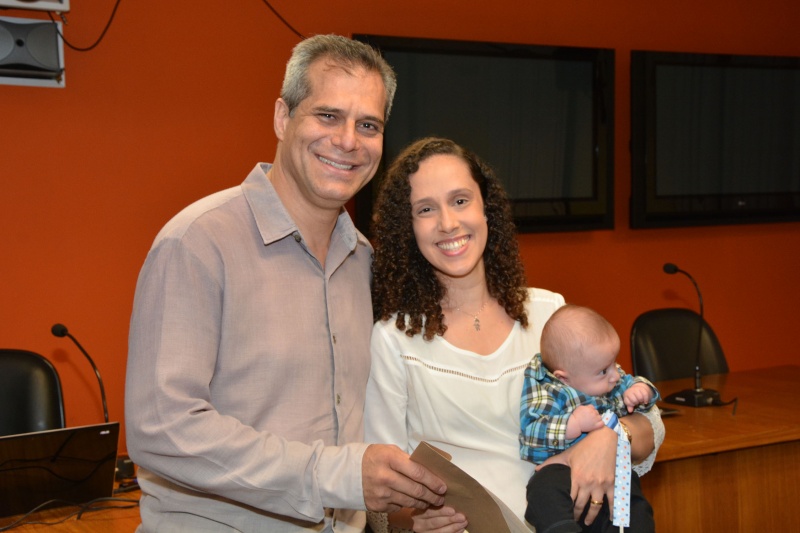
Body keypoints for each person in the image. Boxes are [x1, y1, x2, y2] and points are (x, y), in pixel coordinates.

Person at [124, 35, 447, 533]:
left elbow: (362, 438)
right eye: (327, 116)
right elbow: (163, 428)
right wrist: (333, 475)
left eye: (368, 125)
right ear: (282, 117)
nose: (347, 141)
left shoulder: (366, 262)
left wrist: (398, 516)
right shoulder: (198, 242)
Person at [364, 137, 665, 533]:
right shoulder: (393, 339)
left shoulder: (550, 313)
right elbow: (380, 499)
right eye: (425, 209)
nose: (448, 223)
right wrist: (415, 526)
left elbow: (650, 423)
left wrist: (610, 438)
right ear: (408, 228)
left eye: (460, 200)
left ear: (485, 208)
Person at [520, 304, 660, 533]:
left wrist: (641, 389)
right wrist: (571, 425)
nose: (615, 375)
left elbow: (640, 395)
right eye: (604, 371)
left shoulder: (605, 376)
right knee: (543, 490)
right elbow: (530, 436)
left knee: (636, 507)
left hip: (613, 468)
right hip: (562, 471)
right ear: (564, 378)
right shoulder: (548, 388)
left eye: (614, 362)